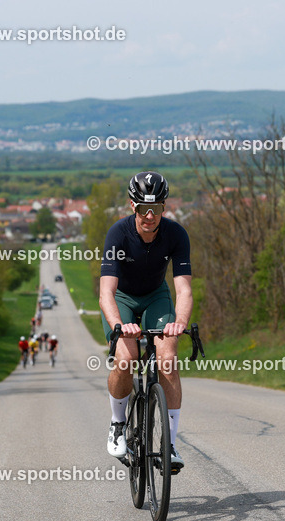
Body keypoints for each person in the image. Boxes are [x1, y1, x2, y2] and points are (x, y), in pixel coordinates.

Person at [99, 171, 191, 472]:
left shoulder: (176, 234)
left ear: (165, 207)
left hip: (155, 297)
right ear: (132, 206)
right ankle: (117, 423)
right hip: (122, 299)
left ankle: (171, 444)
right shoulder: (118, 234)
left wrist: (179, 321)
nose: (149, 216)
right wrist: (118, 325)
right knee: (126, 358)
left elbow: (184, 288)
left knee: (168, 358)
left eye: (156, 208)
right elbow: (106, 292)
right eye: (142, 209)